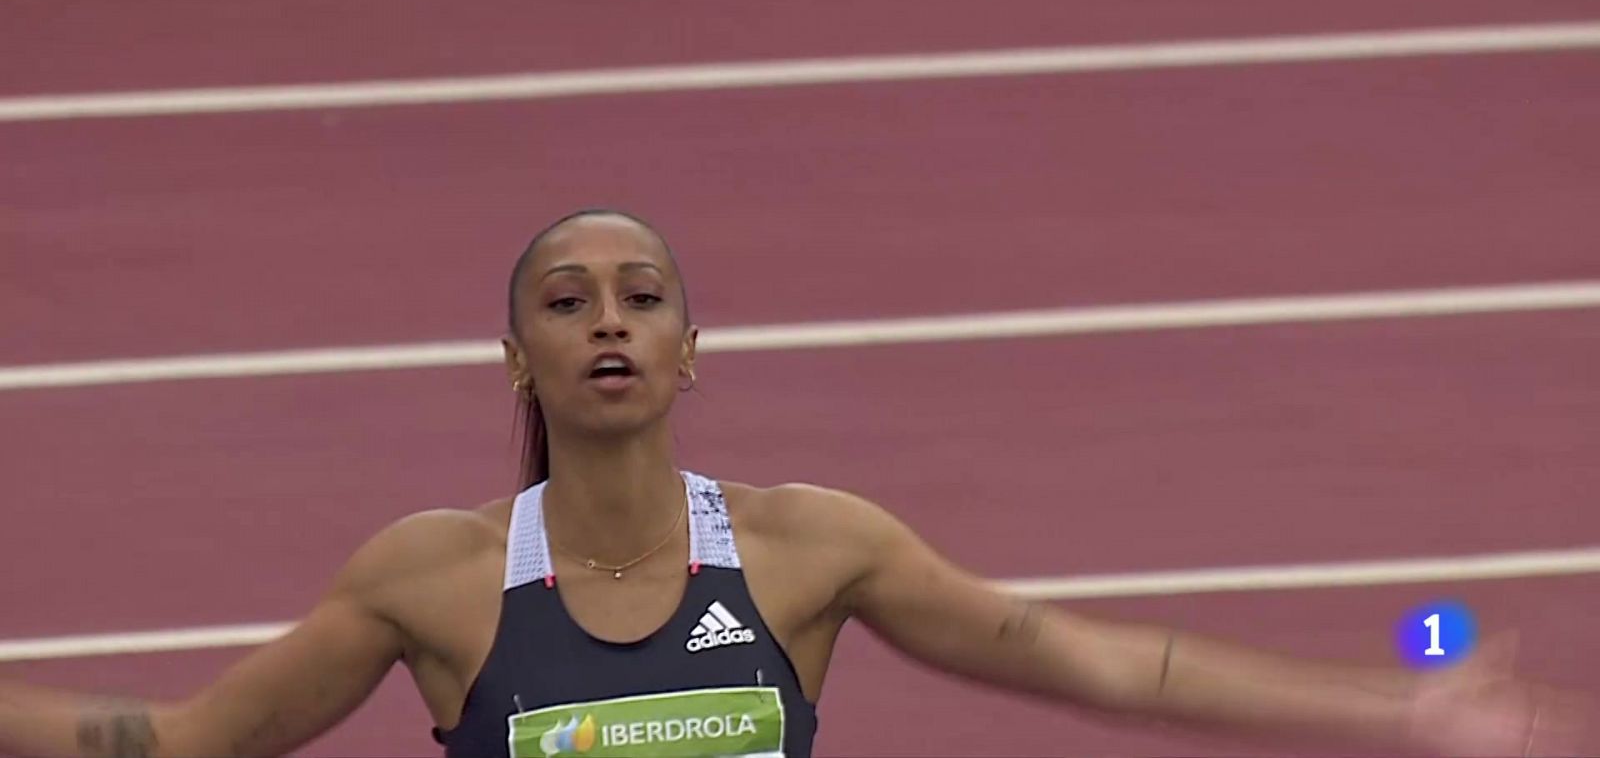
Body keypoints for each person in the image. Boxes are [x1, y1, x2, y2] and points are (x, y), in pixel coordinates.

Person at [0, 208, 1584, 758]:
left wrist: (1393, 711)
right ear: (517, 360)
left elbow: (1096, 662)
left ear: (694, 351)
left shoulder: (815, 551)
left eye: (642, 295)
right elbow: (188, 738)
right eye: (567, 300)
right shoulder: (427, 579)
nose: (608, 318)